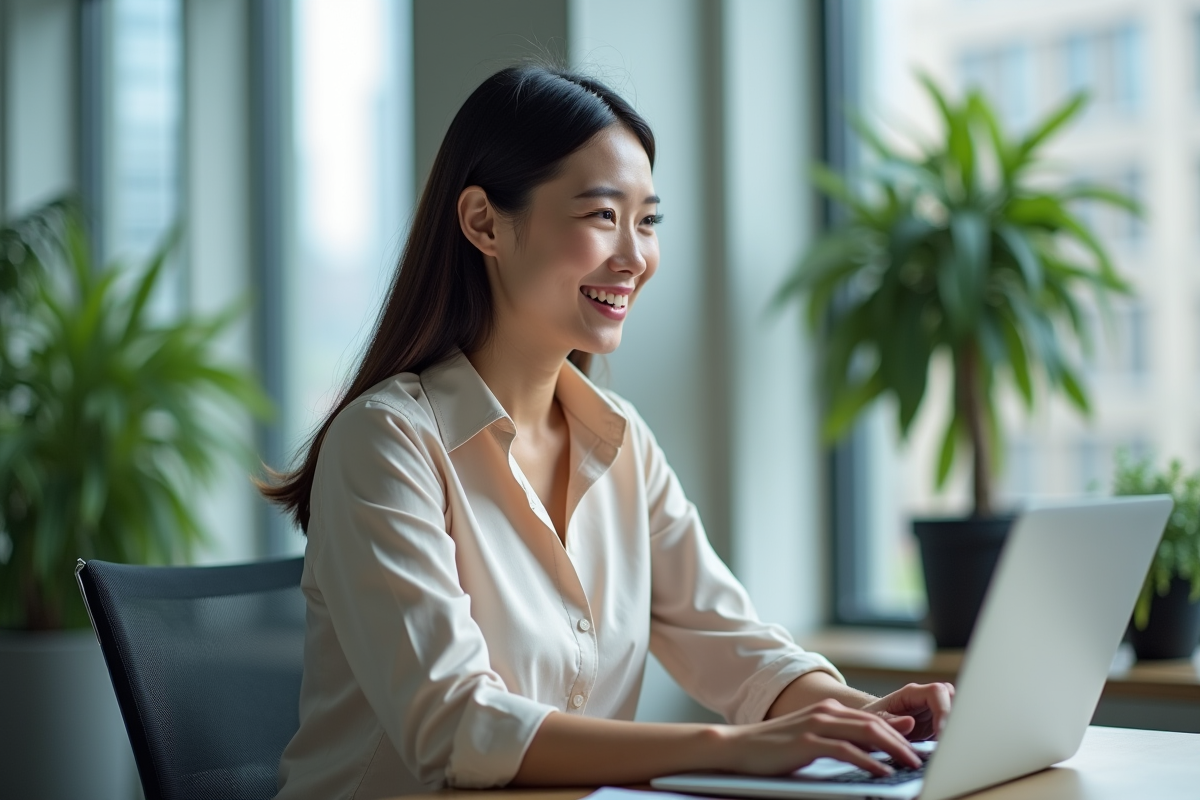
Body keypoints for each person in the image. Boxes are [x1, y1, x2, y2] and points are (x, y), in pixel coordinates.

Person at [259, 64, 953, 800]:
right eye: (600, 216)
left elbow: (732, 643)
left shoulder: (621, 441)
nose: (634, 257)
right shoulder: (385, 444)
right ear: (484, 222)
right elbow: (457, 726)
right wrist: (734, 749)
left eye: (647, 221)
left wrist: (867, 716)